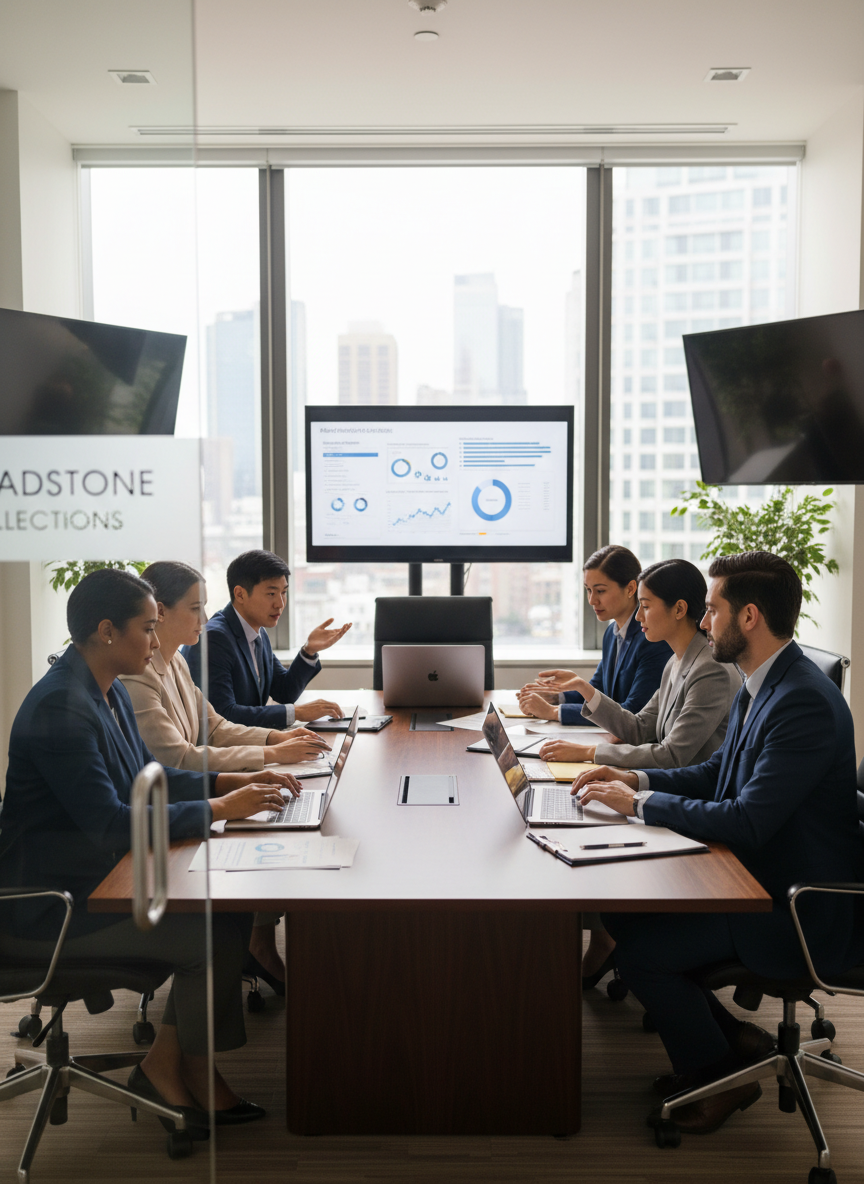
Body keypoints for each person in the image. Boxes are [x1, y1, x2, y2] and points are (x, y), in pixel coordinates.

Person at [573, 552, 864, 1137]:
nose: (704, 622)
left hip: (794, 905)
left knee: (642, 950)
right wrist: (637, 781)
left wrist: (641, 805)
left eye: (713, 610)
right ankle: (732, 1041)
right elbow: (716, 776)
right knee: (621, 918)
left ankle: (720, 1076)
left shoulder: (800, 700)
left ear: (749, 616)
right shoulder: (767, 682)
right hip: (756, 876)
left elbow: (749, 820)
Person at [0, 569, 297, 1130]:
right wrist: (217, 811)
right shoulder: (63, 709)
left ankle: (169, 1063)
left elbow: (148, 778)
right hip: (53, 908)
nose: (157, 642)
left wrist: (223, 787)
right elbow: (113, 824)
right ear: (107, 631)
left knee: (229, 909)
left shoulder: (99, 689)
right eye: (147, 628)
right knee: (208, 933)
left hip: (96, 879)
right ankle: (183, 1069)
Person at [122, 560, 332, 993]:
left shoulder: (176, 662)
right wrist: (266, 752)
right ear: (160, 613)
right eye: (195, 608)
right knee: (260, 841)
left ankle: (257, 946)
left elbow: (215, 725)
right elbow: (176, 756)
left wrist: (276, 739)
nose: (204, 617)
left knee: (274, 822)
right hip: (171, 810)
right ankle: (255, 948)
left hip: (189, 793)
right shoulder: (139, 674)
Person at [538, 558, 740, 990]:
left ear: (680, 609)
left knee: (585, 833)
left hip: (692, 803)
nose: (640, 615)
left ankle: (610, 947)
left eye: (646, 605)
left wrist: (594, 754)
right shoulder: (676, 660)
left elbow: (672, 755)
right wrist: (586, 691)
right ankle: (605, 943)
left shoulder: (710, 670)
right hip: (666, 788)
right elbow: (640, 727)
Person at [184, 549, 352, 729]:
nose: (280, 603)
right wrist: (297, 712)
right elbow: (223, 715)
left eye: (284, 593)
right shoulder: (214, 639)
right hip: (223, 751)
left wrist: (309, 651)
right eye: (271, 594)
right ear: (240, 594)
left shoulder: (257, 632)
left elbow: (283, 691)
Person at [518, 544, 671, 726]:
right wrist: (555, 697)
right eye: (588, 590)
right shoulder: (611, 633)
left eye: (600, 591)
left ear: (631, 589)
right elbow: (598, 692)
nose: (592, 600)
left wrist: (553, 712)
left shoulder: (652, 637)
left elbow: (632, 711)